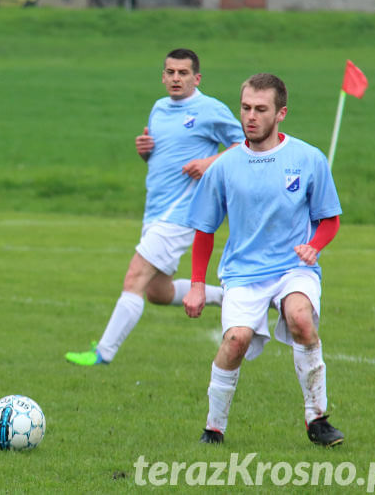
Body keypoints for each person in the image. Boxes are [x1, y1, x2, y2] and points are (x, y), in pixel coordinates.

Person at [183, 73, 344, 447]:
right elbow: (205, 230)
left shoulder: (307, 158)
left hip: (294, 268)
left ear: (280, 113)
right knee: (236, 340)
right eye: (245, 108)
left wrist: (314, 246)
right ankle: (214, 428)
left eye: (260, 109)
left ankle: (317, 420)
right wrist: (195, 284)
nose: (250, 117)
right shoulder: (223, 166)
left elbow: (330, 219)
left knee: (300, 318)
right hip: (242, 273)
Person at [65, 48, 243, 366]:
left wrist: (209, 162)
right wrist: (145, 151)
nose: (176, 78)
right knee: (156, 292)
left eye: (183, 73)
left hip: (183, 213)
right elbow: (162, 156)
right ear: (163, 77)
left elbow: (244, 145)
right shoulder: (159, 109)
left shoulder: (209, 109)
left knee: (134, 277)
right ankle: (229, 297)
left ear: (196, 78)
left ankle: (102, 353)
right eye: (170, 72)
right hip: (155, 211)